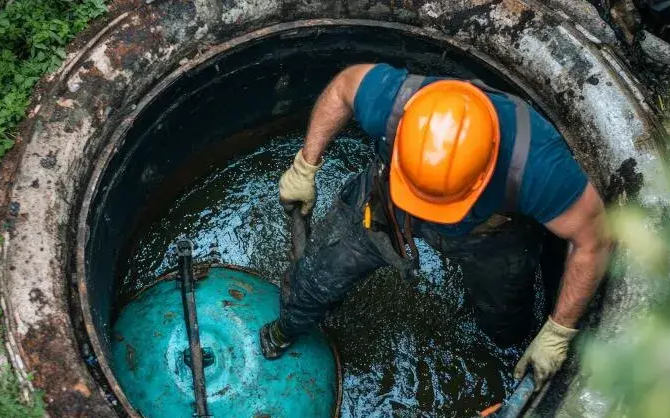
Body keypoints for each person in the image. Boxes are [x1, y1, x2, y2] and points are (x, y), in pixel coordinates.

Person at [259, 63, 612, 389]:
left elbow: (593, 240)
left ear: (485, 174)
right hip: (388, 200)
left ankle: (504, 351)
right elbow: (342, 88)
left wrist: (558, 330)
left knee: (505, 326)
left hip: (491, 235)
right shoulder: (393, 102)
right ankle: (287, 327)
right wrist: (305, 165)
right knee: (316, 276)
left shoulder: (536, 165)